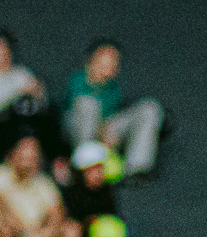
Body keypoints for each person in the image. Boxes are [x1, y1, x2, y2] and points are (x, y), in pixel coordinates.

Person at [65, 40, 165, 177]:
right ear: (90, 62)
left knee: (150, 108)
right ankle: (85, 165)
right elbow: (78, 110)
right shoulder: (77, 80)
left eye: (113, 62)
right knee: (88, 104)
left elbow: (112, 117)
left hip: (105, 130)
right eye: (103, 61)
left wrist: (110, 133)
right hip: (78, 130)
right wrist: (103, 131)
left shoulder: (112, 88)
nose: (109, 66)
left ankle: (137, 169)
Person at [0, 29, 52, 157]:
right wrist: (18, 92)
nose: (1, 53)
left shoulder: (21, 73)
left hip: (24, 121)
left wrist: (38, 92)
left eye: (4, 47)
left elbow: (40, 105)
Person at [0, 134, 66, 237]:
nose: (28, 163)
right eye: (24, 157)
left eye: (32, 158)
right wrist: (27, 232)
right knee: (9, 231)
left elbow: (56, 212)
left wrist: (48, 233)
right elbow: (6, 213)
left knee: (70, 231)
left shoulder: (43, 183)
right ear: (13, 155)